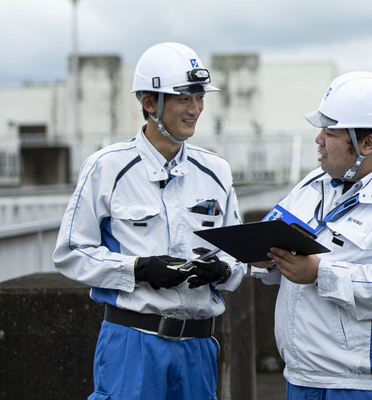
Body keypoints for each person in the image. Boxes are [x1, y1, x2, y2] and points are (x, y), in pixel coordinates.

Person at [53, 42, 245, 399]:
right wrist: (138, 268)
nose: (196, 108)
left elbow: (237, 258)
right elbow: (71, 252)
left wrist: (221, 270)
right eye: (184, 98)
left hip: (199, 346)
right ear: (149, 102)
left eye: (200, 97)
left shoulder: (217, 171)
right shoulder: (106, 167)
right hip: (132, 341)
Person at [251, 71, 372, 399]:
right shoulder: (312, 184)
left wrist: (318, 273)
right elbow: (271, 232)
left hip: (364, 386)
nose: (318, 141)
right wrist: (263, 256)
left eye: (329, 132)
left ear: (368, 143)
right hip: (302, 379)